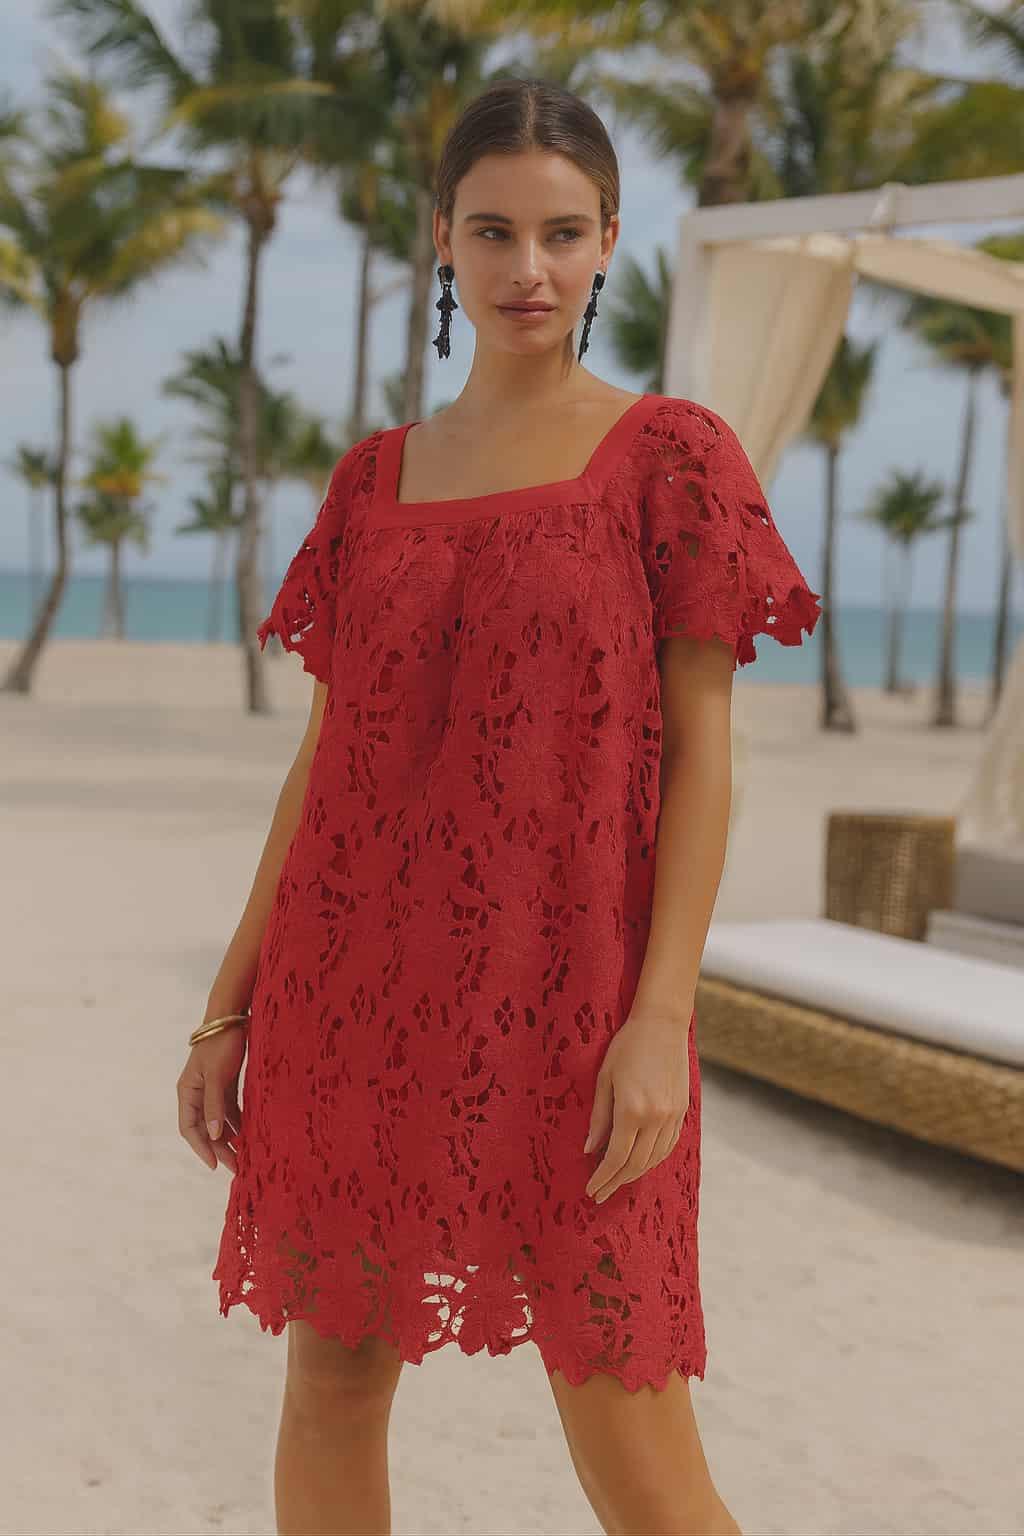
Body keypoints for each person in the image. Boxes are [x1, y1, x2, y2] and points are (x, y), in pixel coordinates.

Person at [177, 76, 820, 1536]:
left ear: (606, 248)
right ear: (443, 245)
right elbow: (327, 766)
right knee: (331, 1394)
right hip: (352, 1002)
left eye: (561, 233)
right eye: (494, 232)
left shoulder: (673, 459)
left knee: (637, 1451)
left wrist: (663, 1018)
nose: (527, 268)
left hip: (572, 1010)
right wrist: (232, 1007)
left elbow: (708, 761)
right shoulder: (371, 483)